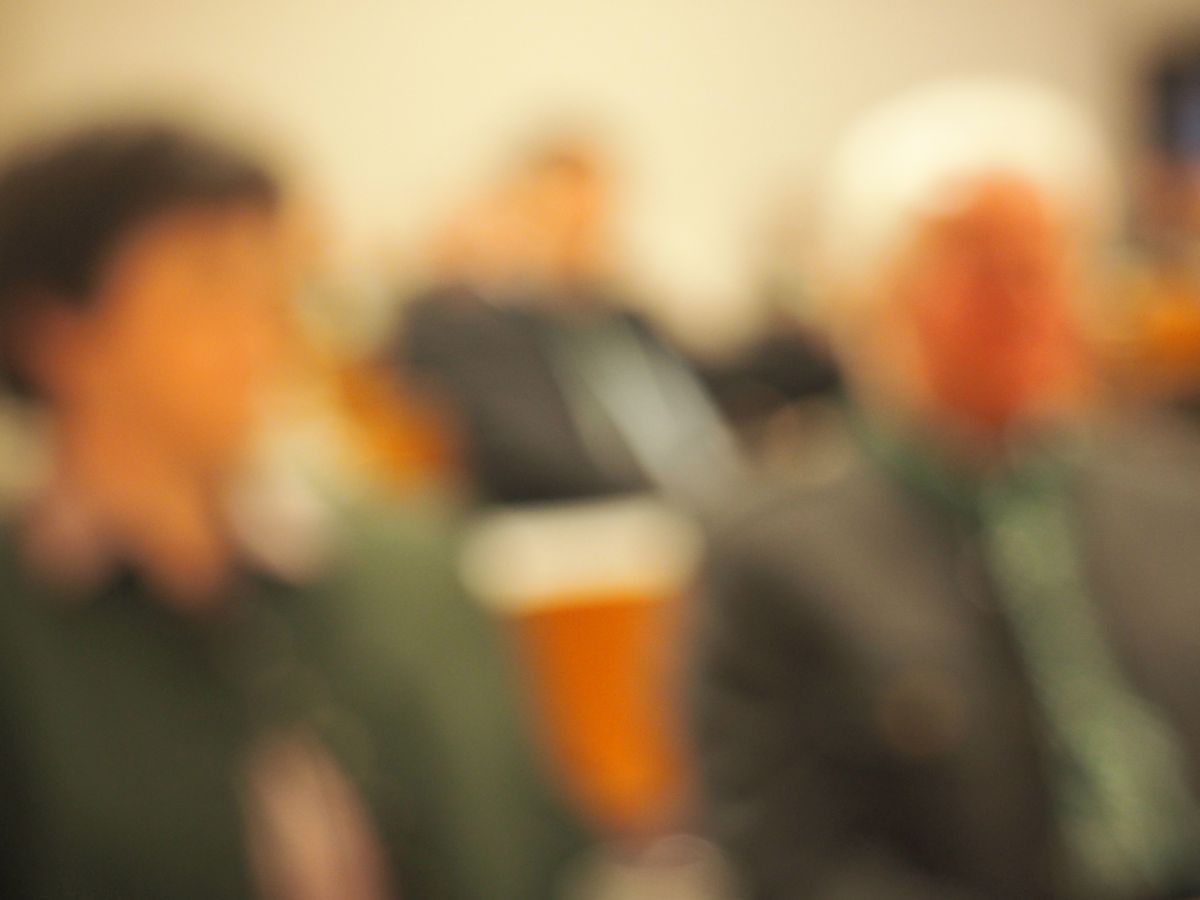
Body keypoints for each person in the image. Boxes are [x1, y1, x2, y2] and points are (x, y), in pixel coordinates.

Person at [0, 121, 581, 899]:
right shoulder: (27, 626)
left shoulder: (411, 565)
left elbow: (543, 845)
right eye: (209, 283)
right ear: (57, 335)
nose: (264, 325)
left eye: (272, 281)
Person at [690, 80, 1200, 900]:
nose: (1027, 299)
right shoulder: (778, 555)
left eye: (1048, 263)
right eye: (982, 268)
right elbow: (796, 865)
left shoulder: (1172, 500)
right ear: (880, 291)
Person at [395, 137, 742, 511]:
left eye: (594, 225)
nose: (584, 243)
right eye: (565, 225)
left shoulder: (623, 318)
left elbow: (716, 376)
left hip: (710, 488)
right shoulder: (482, 327)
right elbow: (531, 453)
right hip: (602, 510)